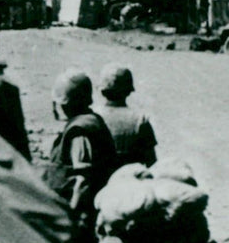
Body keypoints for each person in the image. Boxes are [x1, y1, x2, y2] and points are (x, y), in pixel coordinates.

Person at [43, 69, 117, 231]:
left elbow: (83, 179)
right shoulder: (88, 121)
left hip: (76, 214)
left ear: (66, 103)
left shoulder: (79, 130)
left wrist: (72, 217)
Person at [95, 64, 157, 169]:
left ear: (102, 91)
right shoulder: (140, 120)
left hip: (98, 183)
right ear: (128, 91)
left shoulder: (90, 117)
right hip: (130, 182)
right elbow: (151, 163)